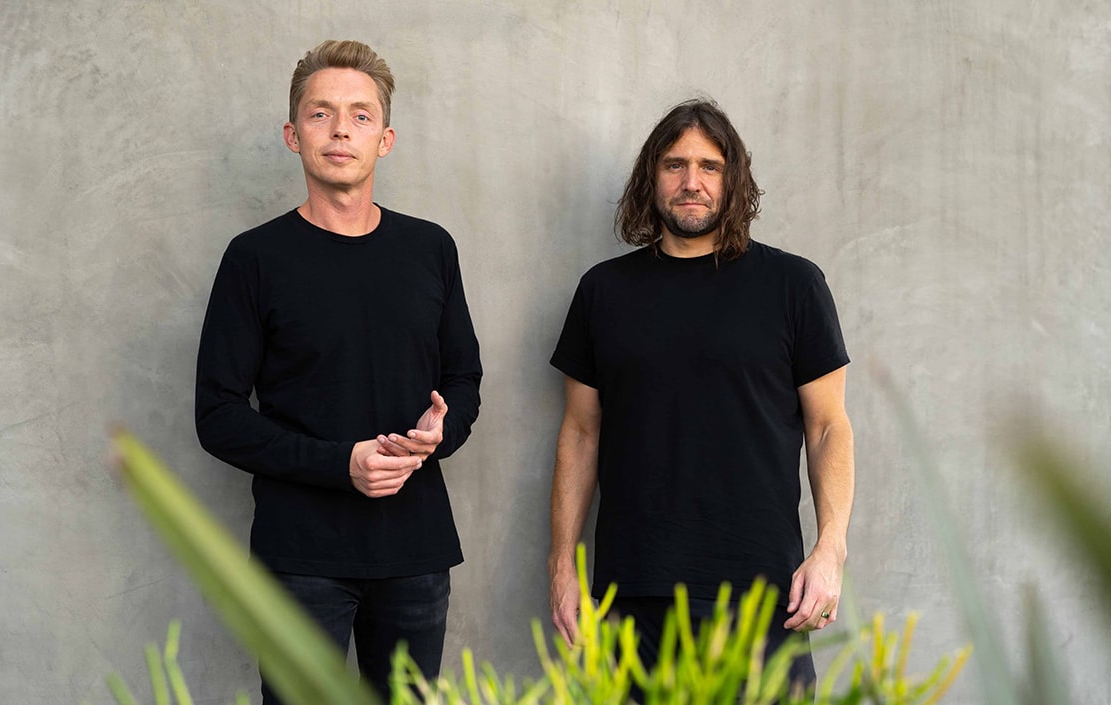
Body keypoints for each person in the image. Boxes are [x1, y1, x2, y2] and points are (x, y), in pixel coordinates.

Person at [195, 39, 481, 703]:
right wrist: (340, 464)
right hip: (299, 558)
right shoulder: (254, 259)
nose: (341, 130)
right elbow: (218, 415)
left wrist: (442, 432)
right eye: (321, 114)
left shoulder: (431, 249)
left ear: (385, 139)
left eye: (360, 115)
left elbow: (463, 380)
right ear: (293, 135)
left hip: (415, 553)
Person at [548, 99, 853, 688]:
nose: (692, 182)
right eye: (675, 165)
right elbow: (581, 432)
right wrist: (562, 566)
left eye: (710, 166)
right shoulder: (603, 292)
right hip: (633, 591)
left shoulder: (793, 285)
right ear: (651, 177)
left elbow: (828, 428)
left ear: (733, 180)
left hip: (764, 594)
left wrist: (830, 551)